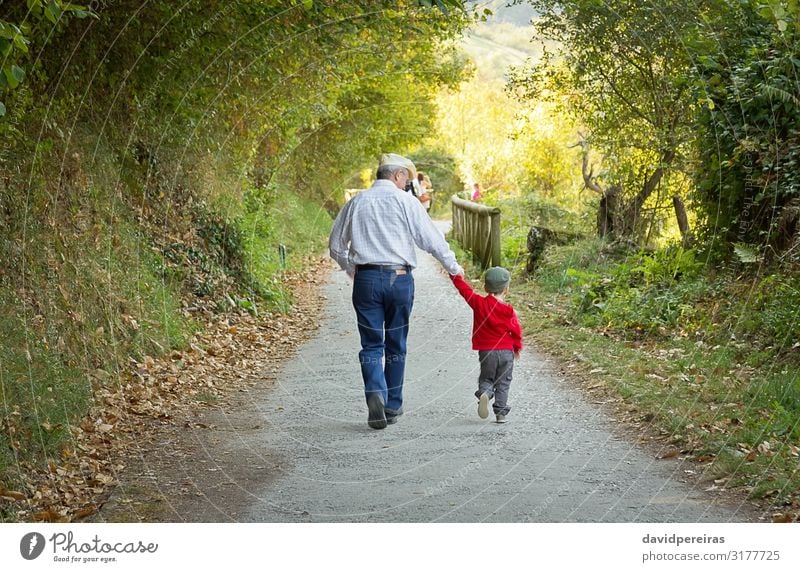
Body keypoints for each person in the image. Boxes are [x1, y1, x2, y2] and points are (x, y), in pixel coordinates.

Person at [329, 153, 464, 429]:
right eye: (407, 179)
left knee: (370, 344)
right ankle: (392, 404)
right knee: (396, 343)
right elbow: (431, 241)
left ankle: (375, 392)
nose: (407, 184)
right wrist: (453, 268)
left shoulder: (356, 202)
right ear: (397, 175)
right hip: (399, 279)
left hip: (366, 279)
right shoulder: (407, 202)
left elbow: (335, 246)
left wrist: (351, 268)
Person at [450, 267, 522, 423]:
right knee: (503, 382)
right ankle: (501, 414)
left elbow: (464, 290)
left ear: (485, 287)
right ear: (506, 289)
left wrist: (454, 275)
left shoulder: (478, 303)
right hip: (506, 351)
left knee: (486, 378)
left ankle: (485, 393)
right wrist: (516, 348)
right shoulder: (509, 310)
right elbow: (516, 331)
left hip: (486, 351)